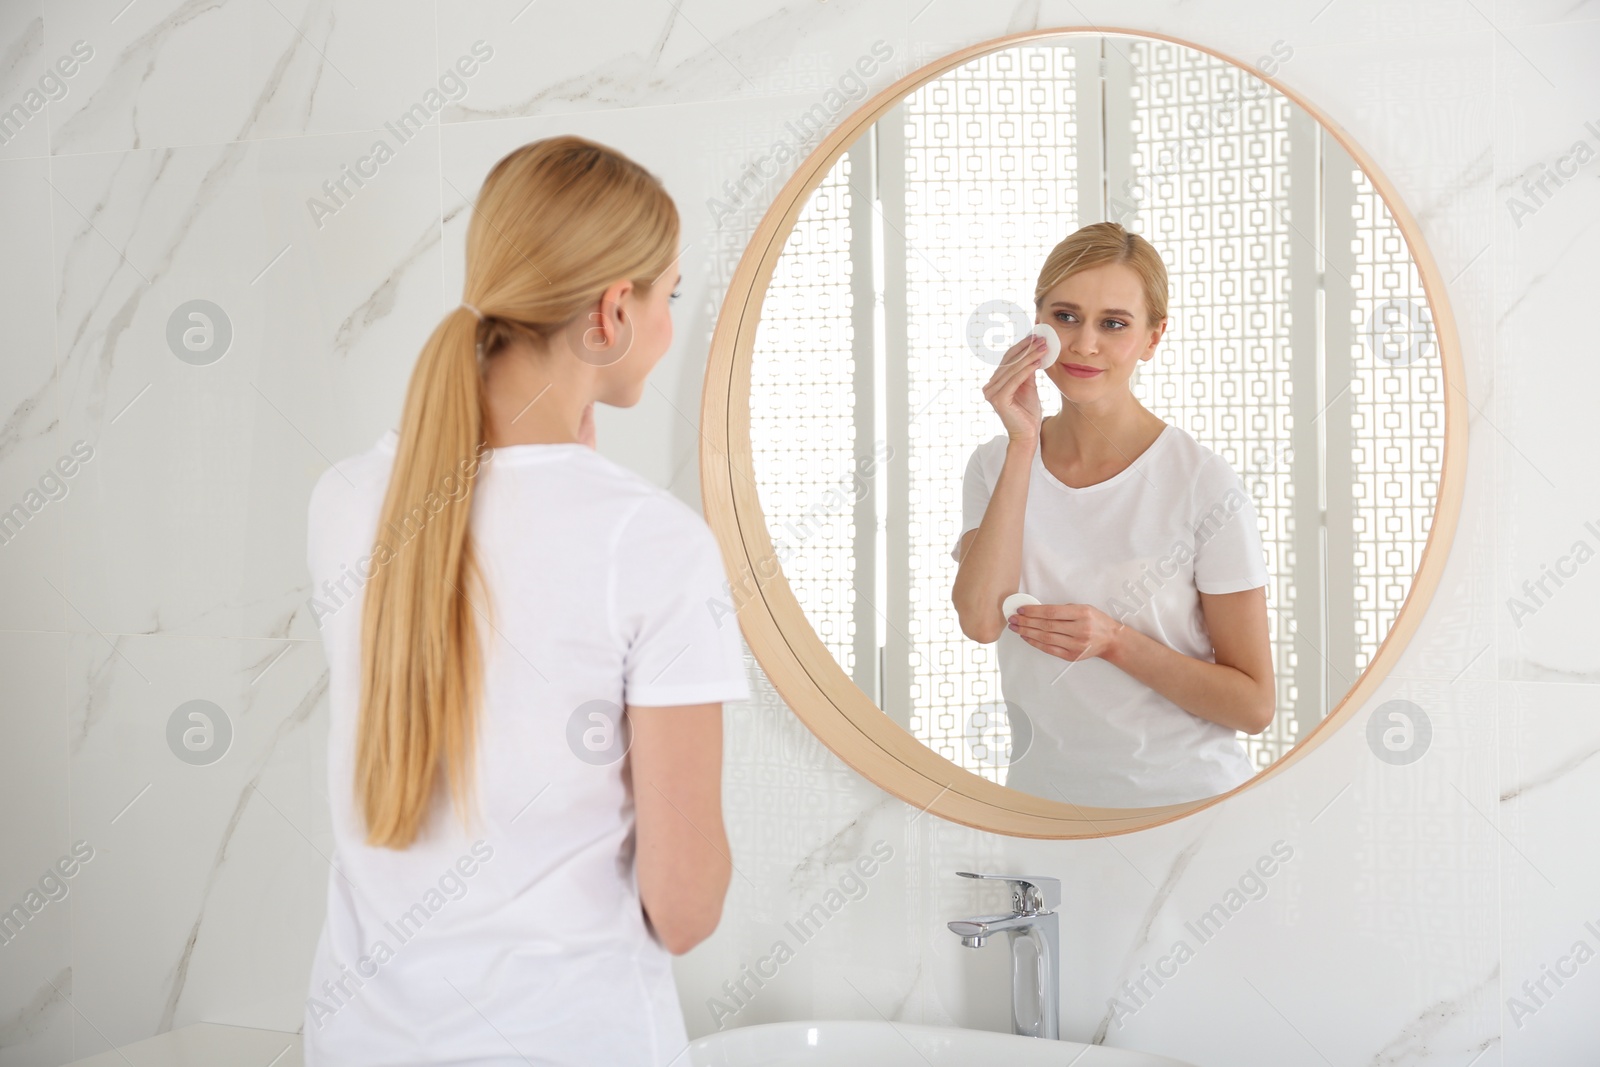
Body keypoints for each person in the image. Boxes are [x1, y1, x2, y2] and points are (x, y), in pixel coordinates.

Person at [301, 135, 749, 1065]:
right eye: (669, 292)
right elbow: (685, 907)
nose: (672, 320)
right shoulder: (650, 542)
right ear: (612, 312)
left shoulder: (345, 499)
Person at [950, 222, 1274, 808]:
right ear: (1038, 324)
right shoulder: (994, 463)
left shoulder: (1201, 482)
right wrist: (1023, 444)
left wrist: (1115, 641)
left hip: (1187, 807)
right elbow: (980, 620)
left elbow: (1252, 705)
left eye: (1114, 324)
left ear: (1153, 338)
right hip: (1042, 806)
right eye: (1066, 316)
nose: (1084, 345)